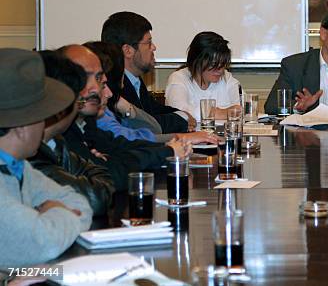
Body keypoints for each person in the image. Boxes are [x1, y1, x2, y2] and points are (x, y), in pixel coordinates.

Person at [0, 48, 92, 268]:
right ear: (22, 127)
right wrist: (57, 210)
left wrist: (48, 215)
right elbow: (44, 242)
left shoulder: (18, 167)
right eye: (41, 117)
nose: (45, 124)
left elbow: (82, 205)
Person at [59, 45, 191, 191]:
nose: (108, 93)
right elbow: (111, 175)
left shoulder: (86, 125)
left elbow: (121, 146)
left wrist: (168, 148)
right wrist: (168, 150)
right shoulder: (65, 135)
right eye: (99, 82)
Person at [29, 51, 115, 217]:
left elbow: (103, 176)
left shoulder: (55, 143)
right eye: (77, 99)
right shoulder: (30, 155)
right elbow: (97, 198)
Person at [84, 42, 218, 144]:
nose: (154, 47)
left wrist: (126, 106)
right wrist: (182, 138)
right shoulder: (100, 114)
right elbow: (130, 142)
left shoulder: (114, 101)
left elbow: (152, 128)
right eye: (148, 42)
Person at [101, 11, 194, 133]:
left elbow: (152, 110)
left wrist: (182, 114)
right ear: (128, 50)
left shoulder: (134, 79)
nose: (154, 47)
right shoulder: (111, 86)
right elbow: (143, 125)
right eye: (148, 42)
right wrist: (183, 118)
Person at [165, 32, 241, 121]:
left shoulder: (227, 78)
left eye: (223, 64)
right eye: (214, 64)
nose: (220, 69)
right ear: (197, 61)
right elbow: (180, 113)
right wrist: (219, 113)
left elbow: (242, 109)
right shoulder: (178, 79)